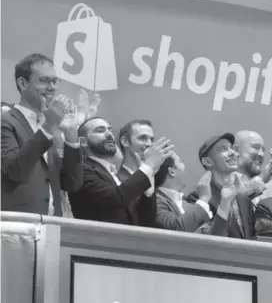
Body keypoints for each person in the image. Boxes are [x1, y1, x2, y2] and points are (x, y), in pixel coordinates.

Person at [1, 53, 83, 215]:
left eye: (55, 81)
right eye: (44, 81)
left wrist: (71, 136)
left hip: (53, 225)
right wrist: (49, 125)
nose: (52, 87)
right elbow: (14, 171)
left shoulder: (48, 128)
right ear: (23, 84)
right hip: (19, 225)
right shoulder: (6, 122)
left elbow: (72, 184)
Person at [68, 117, 174, 226]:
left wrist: (148, 187)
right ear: (83, 142)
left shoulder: (111, 172)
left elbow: (145, 223)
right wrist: (148, 166)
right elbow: (114, 199)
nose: (109, 134)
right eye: (100, 130)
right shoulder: (82, 169)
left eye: (110, 130)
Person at [193, 133, 257, 239]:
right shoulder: (198, 199)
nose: (233, 153)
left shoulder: (244, 200)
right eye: (223, 149)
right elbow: (207, 242)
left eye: (232, 148)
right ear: (208, 161)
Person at [154, 153, 212, 232]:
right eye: (180, 162)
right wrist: (204, 198)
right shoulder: (155, 202)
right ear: (172, 172)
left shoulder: (187, 202)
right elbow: (178, 228)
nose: (184, 166)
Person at [235, 130, 272, 204]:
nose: (261, 154)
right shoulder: (222, 180)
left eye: (263, 150)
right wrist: (261, 180)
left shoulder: (269, 185)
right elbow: (233, 205)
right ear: (236, 150)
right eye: (256, 147)